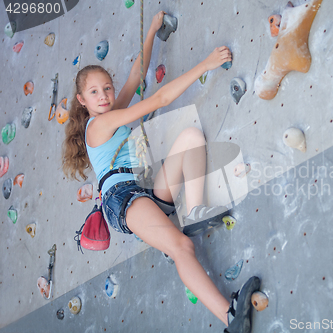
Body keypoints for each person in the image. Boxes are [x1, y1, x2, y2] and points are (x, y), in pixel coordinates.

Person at [61, 11, 260, 333]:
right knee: (182, 248)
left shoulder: (113, 112)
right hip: (122, 200)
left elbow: (136, 77)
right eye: (94, 92)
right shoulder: (99, 123)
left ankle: (195, 211)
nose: (104, 96)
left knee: (191, 138)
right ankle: (230, 317)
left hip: (141, 192)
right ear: (82, 101)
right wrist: (206, 64)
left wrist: (152, 29)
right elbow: (160, 97)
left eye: (107, 88)